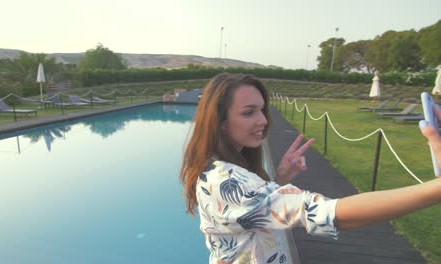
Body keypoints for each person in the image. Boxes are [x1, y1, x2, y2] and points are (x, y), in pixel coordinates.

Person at [180, 73, 441, 264]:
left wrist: (280, 180)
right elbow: (329, 213)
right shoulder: (224, 179)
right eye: (249, 112)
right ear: (220, 121)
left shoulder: (223, 166)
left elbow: (252, 215)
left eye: (262, 110)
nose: (263, 120)